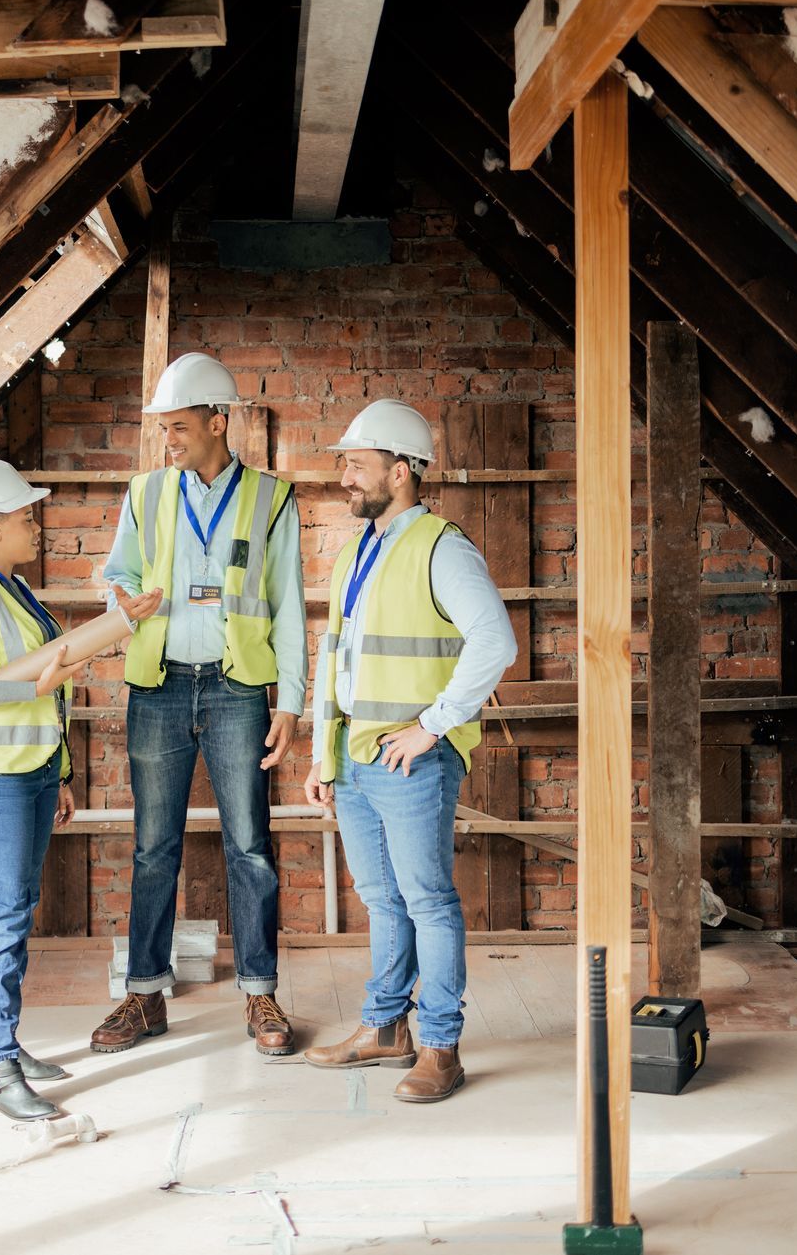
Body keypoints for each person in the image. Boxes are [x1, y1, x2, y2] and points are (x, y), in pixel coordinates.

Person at [300, 399, 518, 1103]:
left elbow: (496, 641)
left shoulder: (442, 546)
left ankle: (440, 1045)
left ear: (400, 471)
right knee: (383, 899)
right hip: (359, 758)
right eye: (343, 465)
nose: (344, 477)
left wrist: (434, 723)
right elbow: (334, 659)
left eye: (356, 465)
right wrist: (319, 755)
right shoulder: (357, 552)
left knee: (426, 899)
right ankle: (385, 1026)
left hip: (413, 759)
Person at [92, 352, 308, 1057]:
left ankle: (260, 991)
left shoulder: (273, 499)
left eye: (179, 427)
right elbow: (116, 571)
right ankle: (144, 994)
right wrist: (120, 597)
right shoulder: (146, 492)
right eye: (164, 430)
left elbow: (290, 607)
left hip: (238, 686)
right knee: (154, 848)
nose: (169, 441)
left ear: (220, 423)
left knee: (250, 845)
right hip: (157, 685)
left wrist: (293, 702)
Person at [0, 458, 160, 1119]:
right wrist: (23, 689)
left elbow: (52, 688)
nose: (36, 524)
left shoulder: (18, 588)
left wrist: (59, 772)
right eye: (26, 517)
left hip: (31, 771)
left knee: (19, 905)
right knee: (4, 915)